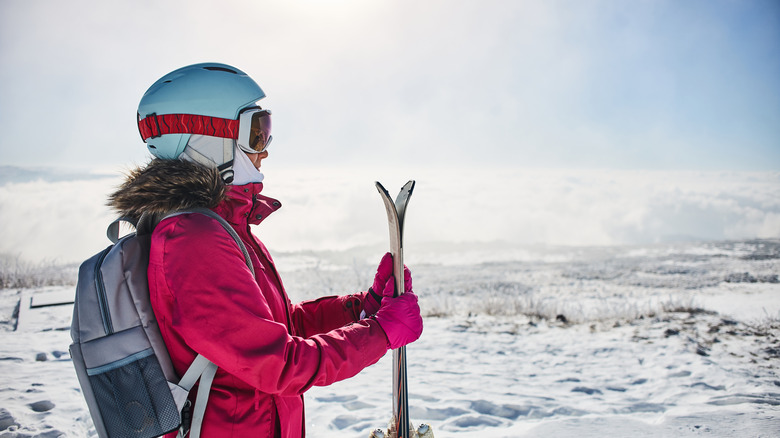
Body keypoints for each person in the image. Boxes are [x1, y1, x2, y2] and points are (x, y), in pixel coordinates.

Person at [107, 62, 423, 437]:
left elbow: (281, 329)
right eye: (256, 131)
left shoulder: (221, 227)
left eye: (266, 129)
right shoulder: (193, 239)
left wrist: (362, 307)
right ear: (206, 138)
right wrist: (380, 333)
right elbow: (281, 365)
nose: (265, 149)